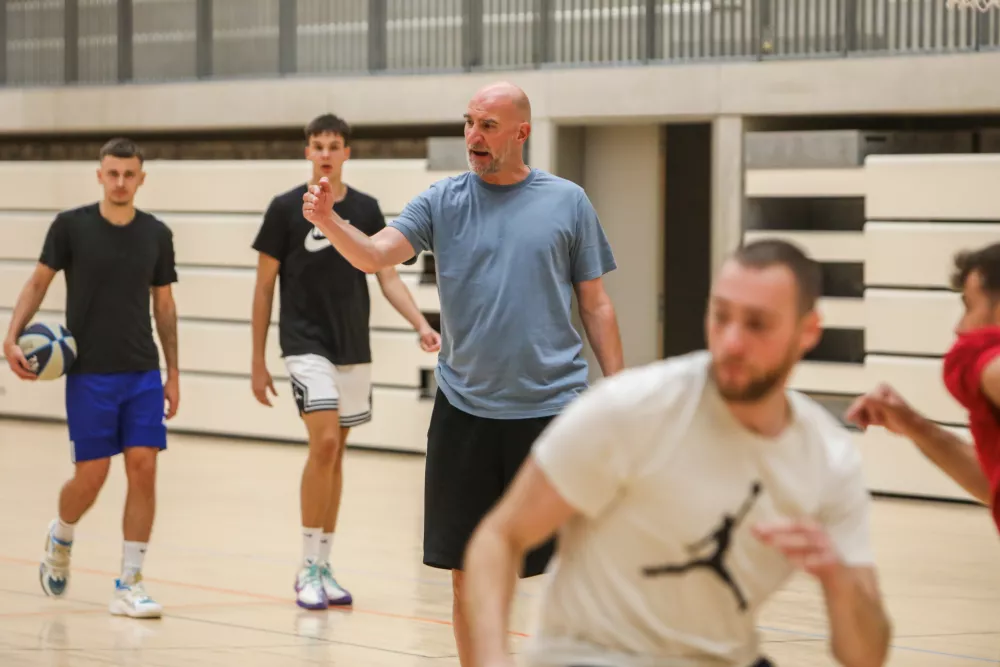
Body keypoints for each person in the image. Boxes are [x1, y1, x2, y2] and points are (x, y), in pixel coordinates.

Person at [302, 82, 624, 663]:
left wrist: (619, 393)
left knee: (570, 571)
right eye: (469, 123)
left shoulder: (567, 202)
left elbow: (596, 304)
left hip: (553, 412)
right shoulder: (441, 201)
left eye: (489, 126)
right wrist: (329, 220)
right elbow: (376, 255)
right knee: (466, 570)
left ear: (521, 133)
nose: (474, 137)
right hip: (465, 413)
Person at [462, 239, 893, 667]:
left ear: (808, 331)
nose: (732, 341)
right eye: (721, 316)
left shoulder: (828, 458)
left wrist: (840, 580)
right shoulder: (631, 408)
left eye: (757, 324)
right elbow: (499, 537)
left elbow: (866, 656)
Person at [251, 113, 441, 610]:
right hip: (303, 343)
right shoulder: (284, 210)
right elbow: (264, 286)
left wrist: (421, 324)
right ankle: (305, 566)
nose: (326, 153)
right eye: (318, 145)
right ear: (307, 152)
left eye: (335, 145)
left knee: (337, 455)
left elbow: (388, 275)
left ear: (346, 153)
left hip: (352, 346)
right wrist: (256, 360)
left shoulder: (365, 208)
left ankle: (324, 564)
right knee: (325, 442)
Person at [2, 137, 179, 619]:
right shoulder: (70, 228)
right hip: (89, 374)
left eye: (129, 174)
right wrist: (11, 336)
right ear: (99, 175)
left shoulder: (156, 235)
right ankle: (62, 532)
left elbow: (164, 305)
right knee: (92, 476)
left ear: (142, 178)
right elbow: (38, 281)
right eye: (113, 173)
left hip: (142, 371)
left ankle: (130, 581)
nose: (121, 182)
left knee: (144, 466)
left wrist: (173, 372)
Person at [846, 242, 1000, 529]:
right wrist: (915, 426)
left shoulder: (975, 359)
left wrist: (974, 361)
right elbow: (991, 481)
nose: (959, 327)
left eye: (969, 307)